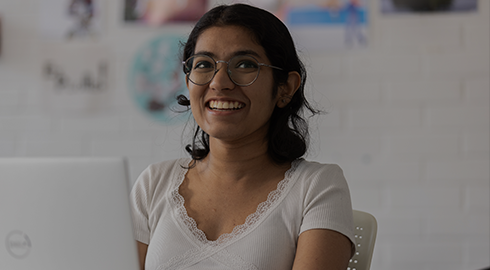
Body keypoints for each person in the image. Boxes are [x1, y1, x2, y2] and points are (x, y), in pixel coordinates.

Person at [130, 3, 355, 269]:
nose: (219, 82)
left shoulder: (317, 187)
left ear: (285, 87)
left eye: (245, 64)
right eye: (203, 64)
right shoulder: (154, 183)